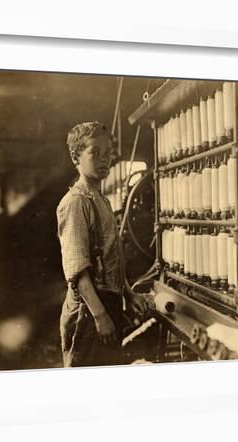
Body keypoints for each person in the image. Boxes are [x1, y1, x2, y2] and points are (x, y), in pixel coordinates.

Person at [56, 121, 148, 368]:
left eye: (107, 154)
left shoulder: (101, 201)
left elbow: (110, 256)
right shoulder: (76, 202)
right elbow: (77, 270)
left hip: (108, 302)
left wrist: (128, 294)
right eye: (94, 153)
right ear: (76, 156)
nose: (103, 159)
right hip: (88, 309)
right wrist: (100, 316)